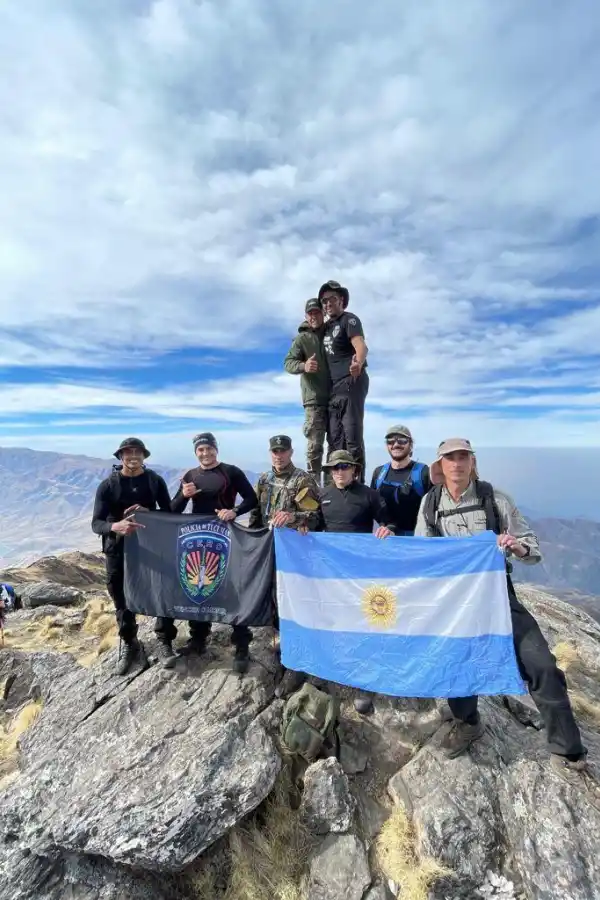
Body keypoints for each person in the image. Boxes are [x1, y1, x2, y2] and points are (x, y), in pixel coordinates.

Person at [414, 437, 600, 808]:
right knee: (458, 665)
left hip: (498, 595)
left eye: (463, 456)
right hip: (458, 602)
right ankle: (468, 722)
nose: (457, 463)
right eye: (449, 458)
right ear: (441, 465)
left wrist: (516, 547)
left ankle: (567, 751)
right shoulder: (430, 504)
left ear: (471, 461)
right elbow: (424, 553)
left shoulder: (495, 499)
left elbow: (533, 549)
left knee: (541, 663)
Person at [165, 432, 259, 673]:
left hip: (225, 534)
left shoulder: (231, 472)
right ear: (196, 452)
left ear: (216, 449)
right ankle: (198, 639)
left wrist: (234, 511)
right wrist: (184, 496)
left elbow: (251, 499)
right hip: (196, 537)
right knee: (197, 585)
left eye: (209, 449)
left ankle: (241, 646)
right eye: (200, 450)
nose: (205, 454)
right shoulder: (190, 475)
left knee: (231, 586)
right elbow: (174, 510)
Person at [318, 449, 396, 715]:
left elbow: (389, 521)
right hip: (331, 572)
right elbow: (313, 527)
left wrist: (389, 529)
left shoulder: (370, 495)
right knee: (334, 621)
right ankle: (332, 667)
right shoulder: (322, 495)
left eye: (343, 467)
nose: (338, 472)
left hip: (362, 573)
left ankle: (365, 681)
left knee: (364, 623)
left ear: (354, 469)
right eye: (333, 468)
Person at [91, 437, 172, 675]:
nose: (133, 456)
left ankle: (165, 640)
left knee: (161, 590)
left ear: (144, 456)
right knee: (121, 597)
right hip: (118, 549)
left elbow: (168, 513)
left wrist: (149, 513)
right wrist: (116, 526)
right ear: (120, 457)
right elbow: (96, 523)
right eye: (128, 452)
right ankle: (130, 642)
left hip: (151, 547)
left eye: (137, 452)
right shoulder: (108, 485)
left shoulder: (154, 481)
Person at [249, 434, 321, 697]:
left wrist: (294, 516)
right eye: (274, 451)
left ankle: (299, 655)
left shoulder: (302, 480)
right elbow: (256, 513)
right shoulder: (264, 479)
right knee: (272, 594)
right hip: (268, 547)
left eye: (283, 451)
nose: (278, 455)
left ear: (291, 452)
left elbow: (314, 517)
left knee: (292, 598)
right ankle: (282, 637)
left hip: (294, 552)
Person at [318, 280, 369, 480]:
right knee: (334, 438)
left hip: (351, 381)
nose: (328, 303)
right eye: (324, 300)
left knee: (352, 435)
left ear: (342, 301)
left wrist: (358, 363)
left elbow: (361, 346)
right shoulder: (326, 326)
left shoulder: (349, 320)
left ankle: (358, 483)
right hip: (334, 388)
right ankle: (335, 486)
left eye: (332, 299)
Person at [283, 298, 331, 482]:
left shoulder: (331, 333)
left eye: (317, 312)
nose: (314, 316)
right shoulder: (302, 339)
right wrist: (304, 365)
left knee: (335, 445)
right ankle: (313, 486)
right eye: (310, 313)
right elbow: (288, 363)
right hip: (314, 399)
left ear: (323, 313)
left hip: (335, 398)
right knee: (315, 446)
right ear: (305, 316)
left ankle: (330, 487)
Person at [370, 425, 431, 536]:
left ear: (411, 445)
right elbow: (372, 507)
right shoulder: (379, 473)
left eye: (402, 441)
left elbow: (433, 509)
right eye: (391, 441)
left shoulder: (423, 472)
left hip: (415, 540)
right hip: (385, 538)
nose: (396, 445)